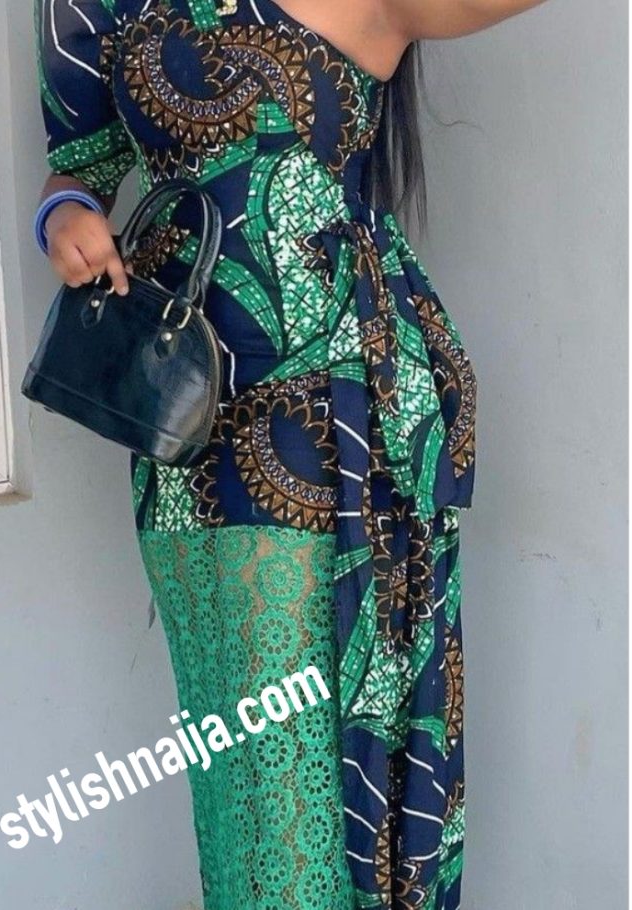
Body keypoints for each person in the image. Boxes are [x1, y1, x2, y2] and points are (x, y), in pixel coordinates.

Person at [33, 1, 545, 907]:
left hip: (344, 419)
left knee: (328, 756)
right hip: (183, 426)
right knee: (244, 772)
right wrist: (64, 213)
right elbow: (80, 165)